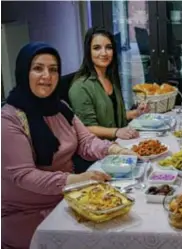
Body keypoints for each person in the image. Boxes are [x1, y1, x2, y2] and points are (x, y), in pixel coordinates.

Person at [1, 42, 136, 249]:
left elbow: (86, 142)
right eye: (38, 68)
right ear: (23, 72)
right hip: (28, 214)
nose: (47, 76)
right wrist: (76, 179)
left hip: (70, 200)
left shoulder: (60, 107)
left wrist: (116, 150)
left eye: (53, 69)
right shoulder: (9, 119)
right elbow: (24, 175)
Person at [69, 27, 149, 141]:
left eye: (108, 47)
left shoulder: (110, 78)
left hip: (121, 143)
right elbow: (87, 128)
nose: (104, 53)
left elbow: (112, 116)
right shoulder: (80, 87)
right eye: (97, 48)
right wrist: (116, 132)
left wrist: (135, 113)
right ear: (88, 52)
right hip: (102, 151)